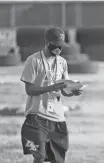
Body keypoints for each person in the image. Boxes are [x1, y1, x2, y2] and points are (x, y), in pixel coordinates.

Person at [20, 27, 82, 163]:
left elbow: (64, 89)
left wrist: (72, 92)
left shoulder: (62, 62)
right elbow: (29, 90)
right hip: (37, 116)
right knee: (39, 156)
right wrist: (50, 87)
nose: (59, 48)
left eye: (61, 46)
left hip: (58, 118)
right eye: (56, 45)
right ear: (47, 42)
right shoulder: (33, 60)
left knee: (58, 159)